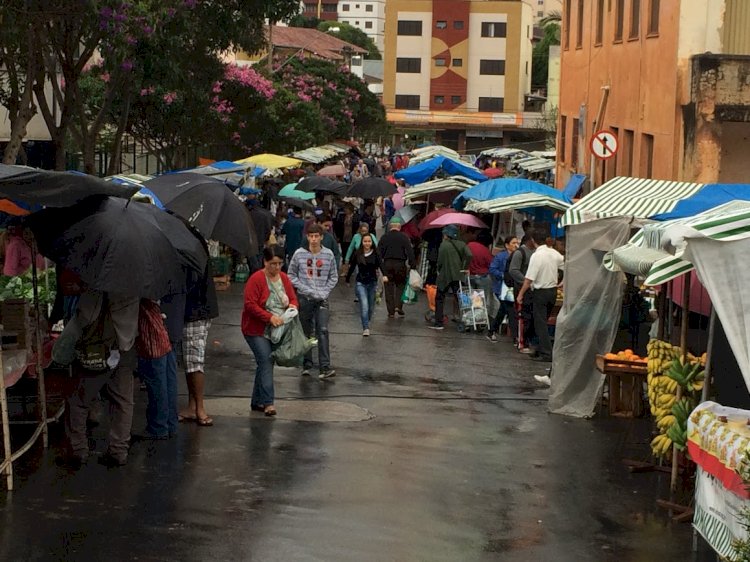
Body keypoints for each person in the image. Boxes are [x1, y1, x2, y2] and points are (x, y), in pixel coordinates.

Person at [53, 289, 139, 468]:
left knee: (78, 399)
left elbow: (86, 314)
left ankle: (77, 450)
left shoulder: (98, 280)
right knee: (123, 400)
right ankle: (118, 450)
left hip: (98, 346)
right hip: (125, 344)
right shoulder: (135, 282)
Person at [242, 245, 299, 416]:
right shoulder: (256, 279)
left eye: (280, 263)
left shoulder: (284, 278)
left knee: (264, 363)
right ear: (265, 262)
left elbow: (294, 299)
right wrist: (269, 317)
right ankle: (268, 402)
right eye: (273, 263)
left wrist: (292, 308)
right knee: (266, 360)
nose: (276, 267)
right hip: (256, 329)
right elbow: (250, 304)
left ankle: (257, 400)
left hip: (277, 329)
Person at [288, 223, 338, 379]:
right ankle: (307, 363)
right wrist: (305, 288)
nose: (314, 239)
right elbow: (291, 275)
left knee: (322, 330)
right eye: (311, 236)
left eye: (317, 236)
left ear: (322, 237)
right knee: (306, 331)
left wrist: (324, 291)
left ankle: (325, 366)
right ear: (307, 237)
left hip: (322, 299)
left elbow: (333, 276)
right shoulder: (299, 254)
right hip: (305, 298)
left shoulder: (328, 254)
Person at [179, 264, 219, 427]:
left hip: (195, 309)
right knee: (191, 359)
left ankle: (199, 408)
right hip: (199, 308)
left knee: (194, 361)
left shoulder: (190, 250)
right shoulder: (195, 246)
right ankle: (193, 405)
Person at [516, 229, 564, 365]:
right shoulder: (555, 254)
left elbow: (529, 278)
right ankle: (539, 348)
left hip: (540, 292)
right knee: (543, 320)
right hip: (552, 292)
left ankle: (547, 352)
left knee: (540, 323)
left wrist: (520, 294)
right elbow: (567, 266)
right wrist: (563, 282)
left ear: (533, 240)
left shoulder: (537, 256)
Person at [134, 299, 175, 440]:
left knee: (157, 384)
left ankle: (158, 426)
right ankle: (169, 423)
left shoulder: (143, 289)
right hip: (161, 336)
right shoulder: (159, 282)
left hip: (151, 340)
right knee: (167, 382)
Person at [429, 225, 472, 330]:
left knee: (439, 298)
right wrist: (464, 267)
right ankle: (467, 320)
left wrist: (438, 269)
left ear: (447, 235)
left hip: (445, 275)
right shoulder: (462, 244)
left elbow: (439, 261)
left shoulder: (444, 245)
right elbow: (469, 255)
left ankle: (439, 323)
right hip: (459, 275)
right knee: (461, 298)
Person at [378, 217, 416, 318]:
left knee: (389, 287)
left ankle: (390, 311)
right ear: (399, 226)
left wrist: (379, 266)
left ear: (390, 226)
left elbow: (378, 254)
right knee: (400, 285)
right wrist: (413, 265)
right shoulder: (404, 237)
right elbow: (410, 252)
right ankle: (398, 306)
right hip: (400, 264)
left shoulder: (384, 237)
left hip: (387, 264)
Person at [487, 236, 519, 342]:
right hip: (501, 287)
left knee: (503, 310)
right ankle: (516, 337)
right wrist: (503, 275)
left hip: (512, 287)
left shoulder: (517, 256)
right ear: (507, 245)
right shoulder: (500, 257)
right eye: (513, 243)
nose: (516, 245)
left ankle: (492, 331)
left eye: (517, 243)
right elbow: (492, 269)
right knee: (510, 309)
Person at [353, 233, 386, 336]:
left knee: (371, 307)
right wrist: (347, 278)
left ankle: (367, 320)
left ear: (372, 242)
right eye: (365, 241)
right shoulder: (358, 254)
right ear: (362, 242)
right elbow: (352, 265)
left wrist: (384, 275)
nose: (367, 243)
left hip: (372, 282)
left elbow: (381, 264)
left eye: (369, 241)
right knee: (364, 305)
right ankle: (365, 327)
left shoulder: (376, 253)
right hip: (361, 282)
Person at [509, 233, 537, 352]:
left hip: (533, 289)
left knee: (531, 315)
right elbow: (513, 270)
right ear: (529, 240)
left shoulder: (536, 253)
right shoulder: (520, 253)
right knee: (523, 315)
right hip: (522, 288)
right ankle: (521, 342)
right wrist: (527, 281)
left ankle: (528, 340)